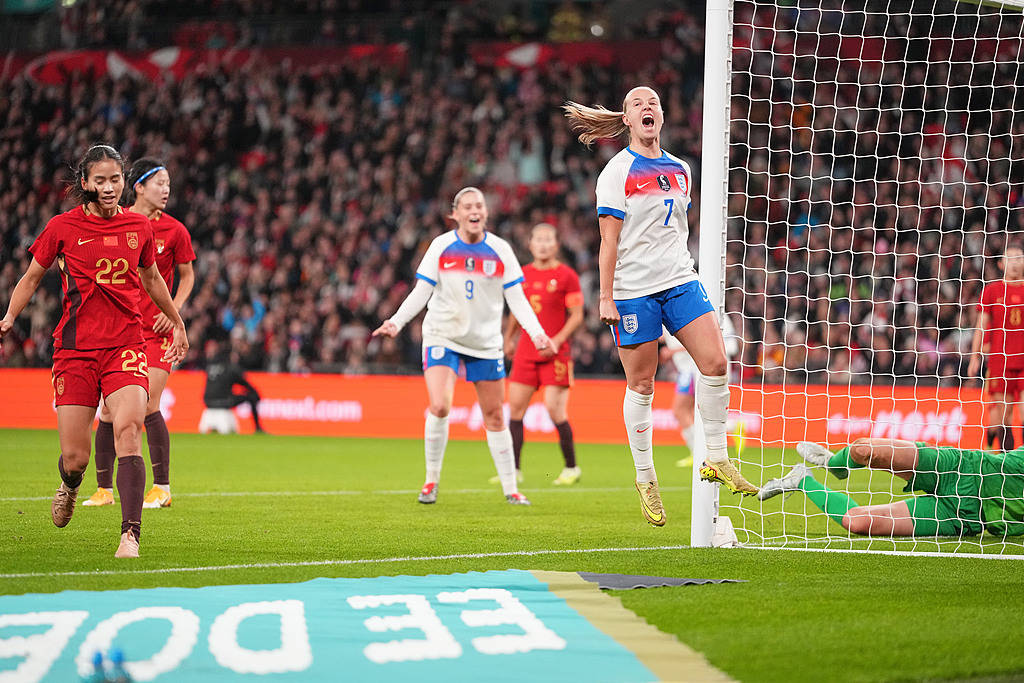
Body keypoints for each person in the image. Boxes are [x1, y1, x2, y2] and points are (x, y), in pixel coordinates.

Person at [563, 86, 757, 527]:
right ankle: (646, 477)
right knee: (643, 384)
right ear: (627, 119)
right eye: (637, 103)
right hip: (634, 291)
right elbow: (608, 241)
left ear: (662, 116)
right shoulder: (617, 172)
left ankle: (716, 457)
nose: (646, 107)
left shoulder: (681, 169)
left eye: (653, 102)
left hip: (680, 280)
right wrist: (606, 295)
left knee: (716, 363)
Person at [0, 144, 188, 558]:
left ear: (124, 182)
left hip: (126, 344)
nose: (108, 187)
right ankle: (70, 485)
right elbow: (32, 277)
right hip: (76, 350)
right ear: (85, 183)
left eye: (115, 179)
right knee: (75, 457)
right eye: (100, 180)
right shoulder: (62, 227)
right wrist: (9, 317)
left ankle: (130, 534)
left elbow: (153, 279)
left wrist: (176, 320)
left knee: (129, 432)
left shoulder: (139, 226)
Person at [373, 187, 553, 505]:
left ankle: (511, 489)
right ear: (454, 214)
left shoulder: (500, 250)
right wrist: (396, 322)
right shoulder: (441, 246)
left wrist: (537, 333)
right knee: (440, 406)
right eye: (467, 206)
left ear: (486, 212)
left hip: (484, 342)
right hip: (443, 335)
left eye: (479, 206)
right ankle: (431, 481)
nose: (474, 211)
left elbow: (517, 299)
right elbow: (422, 290)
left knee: (494, 415)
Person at [83, 158, 196, 510]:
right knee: (107, 411)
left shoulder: (175, 230)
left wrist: (172, 311)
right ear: (140, 187)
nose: (166, 189)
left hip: (157, 332)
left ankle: (162, 487)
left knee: (148, 404)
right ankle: (104, 490)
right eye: (160, 183)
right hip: (123, 330)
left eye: (169, 184)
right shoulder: (119, 222)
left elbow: (187, 275)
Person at [759, 439, 1024, 537]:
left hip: (964, 516)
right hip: (960, 467)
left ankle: (801, 480)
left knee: (857, 522)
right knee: (864, 450)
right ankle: (835, 465)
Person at [502, 223, 584, 485]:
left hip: (556, 354)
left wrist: (557, 340)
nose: (543, 244)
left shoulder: (567, 276)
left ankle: (571, 468)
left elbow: (577, 315)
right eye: (538, 239)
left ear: (557, 245)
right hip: (526, 351)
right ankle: (513, 471)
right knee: (515, 410)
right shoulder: (522, 274)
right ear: (530, 244)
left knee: (554, 410)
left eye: (548, 239)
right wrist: (509, 338)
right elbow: (516, 311)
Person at [661, 314, 740, 468]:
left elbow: (697, 340)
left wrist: (672, 351)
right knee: (692, 412)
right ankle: (729, 428)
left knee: (680, 410)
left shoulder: (699, 312)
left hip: (692, 368)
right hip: (687, 368)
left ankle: (697, 452)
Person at [968, 245, 1024, 452]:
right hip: (1001, 361)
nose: (1015, 262)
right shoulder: (992, 291)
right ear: (1001, 264)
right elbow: (981, 326)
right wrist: (974, 357)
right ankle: (1004, 459)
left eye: (1019, 257)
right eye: (1011, 258)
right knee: (1003, 415)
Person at [201, 345, 265, 433]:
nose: (236, 357)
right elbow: (245, 384)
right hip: (224, 401)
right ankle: (258, 428)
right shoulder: (231, 368)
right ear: (230, 355)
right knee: (252, 397)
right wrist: (256, 394)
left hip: (207, 401)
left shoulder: (211, 366)